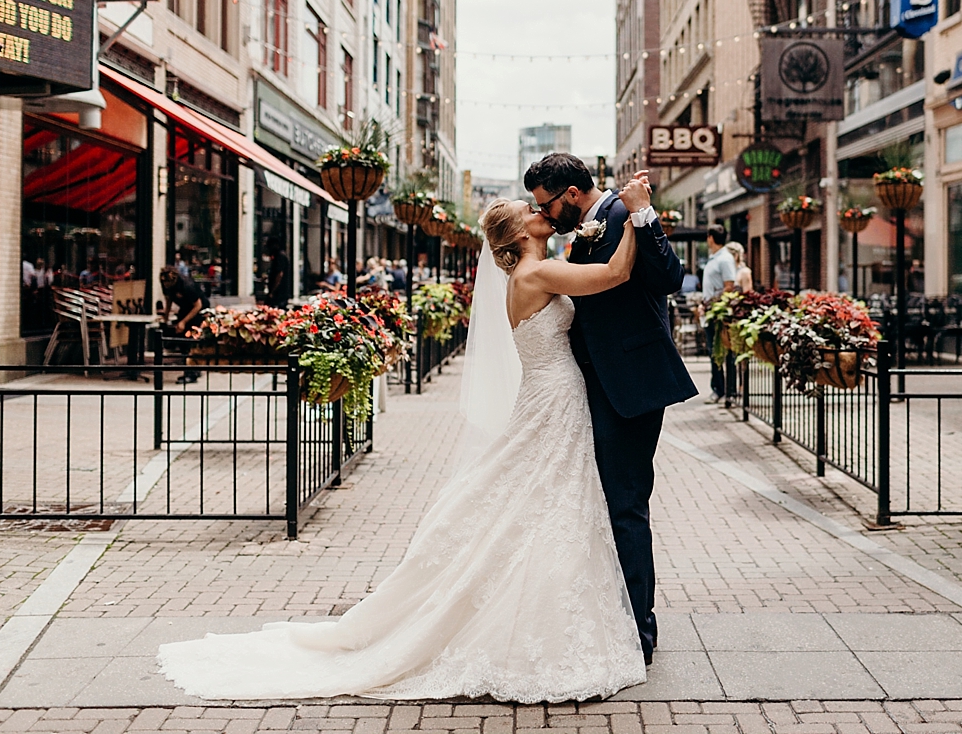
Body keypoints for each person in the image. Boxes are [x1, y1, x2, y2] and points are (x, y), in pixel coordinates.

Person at [158, 183, 657, 701]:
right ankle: (542, 624)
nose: (539, 211)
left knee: (546, 501)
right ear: (517, 232)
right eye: (529, 210)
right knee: (549, 503)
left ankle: (542, 612)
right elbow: (616, 273)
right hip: (553, 397)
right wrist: (636, 215)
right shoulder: (535, 273)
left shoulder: (529, 271)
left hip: (552, 396)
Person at [525, 153, 695, 664]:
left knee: (624, 505)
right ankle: (618, 617)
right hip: (595, 384)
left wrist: (645, 215)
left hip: (631, 384)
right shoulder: (584, 231)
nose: (549, 217)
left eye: (548, 206)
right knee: (604, 504)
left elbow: (668, 277)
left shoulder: (625, 214)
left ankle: (639, 634)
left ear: (572, 194)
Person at [701, 226, 737, 403]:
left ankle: (726, 391)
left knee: (721, 352)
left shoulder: (725, 259)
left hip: (718, 314)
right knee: (713, 352)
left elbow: (729, 286)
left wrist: (711, 305)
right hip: (709, 313)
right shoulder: (714, 258)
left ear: (710, 238)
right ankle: (720, 388)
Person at [159, 266, 209, 384]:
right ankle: (193, 368)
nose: (165, 285)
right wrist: (165, 317)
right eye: (164, 282)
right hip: (185, 309)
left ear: (174, 280)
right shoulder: (166, 284)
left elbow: (198, 305)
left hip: (198, 311)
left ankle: (191, 373)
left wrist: (183, 322)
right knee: (182, 340)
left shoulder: (187, 285)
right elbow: (169, 299)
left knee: (189, 340)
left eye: (167, 282)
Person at [262, 236, 292, 307]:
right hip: (280, 292)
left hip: (279, 293)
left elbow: (279, 274)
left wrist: (273, 291)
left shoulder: (280, 256)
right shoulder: (279, 255)